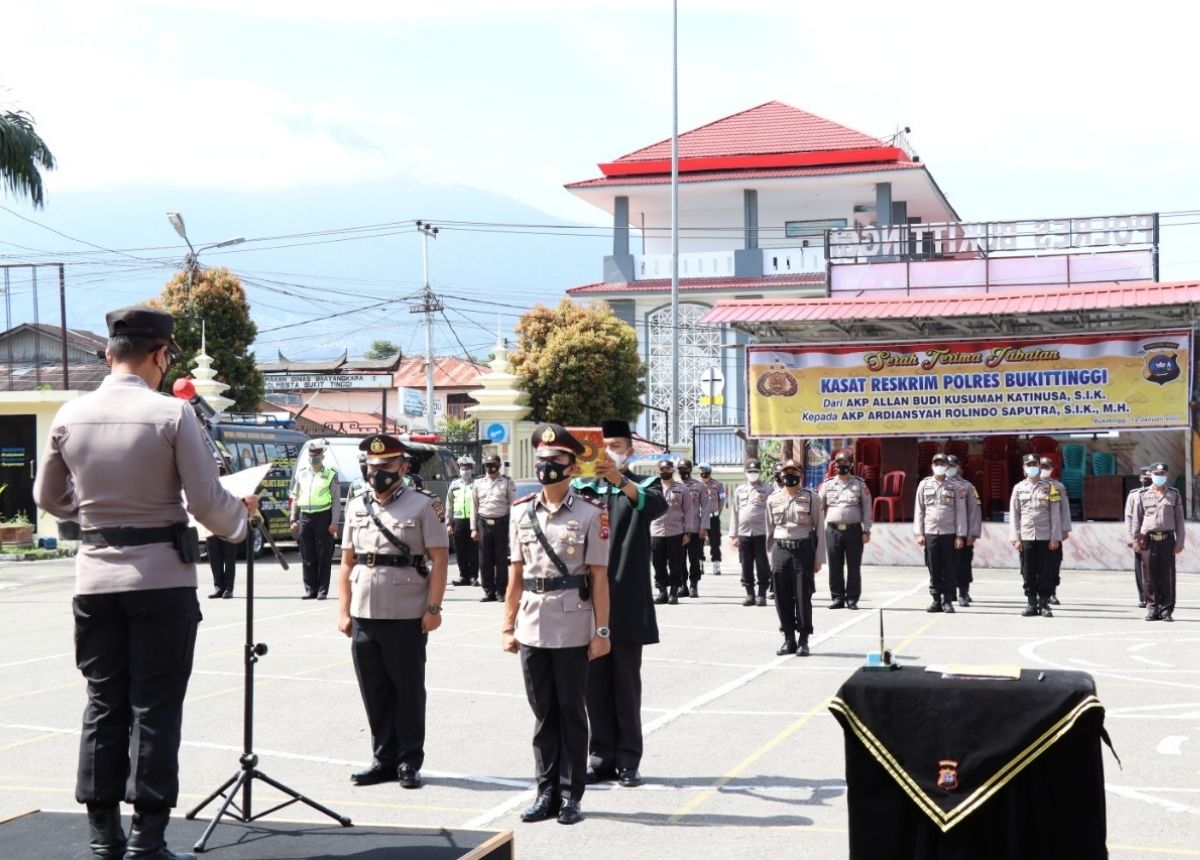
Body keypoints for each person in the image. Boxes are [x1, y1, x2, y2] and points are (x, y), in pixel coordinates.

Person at [34, 305, 256, 860]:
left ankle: (102, 834)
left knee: (103, 701)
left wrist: (90, 513)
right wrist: (240, 518)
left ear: (109, 354)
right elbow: (207, 504)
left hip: (94, 579)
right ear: (161, 355)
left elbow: (45, 497)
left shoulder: (70, 413)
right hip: (160, 579)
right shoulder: (173, 416)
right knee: (154, 707)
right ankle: (147, 839)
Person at [502, 423, 610, 825]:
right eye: (543, 459)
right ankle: (545, 791)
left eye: (556, 459)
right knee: (543, 712)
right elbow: (515, 575)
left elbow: (598, 578)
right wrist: (507, 625)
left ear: (572, 465)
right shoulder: (520, 512)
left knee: (570, 710)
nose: (547, 465)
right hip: (531, 623)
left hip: (572, 624)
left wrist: (602, 631)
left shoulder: (590, 513)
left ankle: (570, 795)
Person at [337, 434, 449, 790]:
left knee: (408, 689)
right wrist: (343, 610)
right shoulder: (356, 505)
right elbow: (346, 562)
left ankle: (409, 761)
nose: (378, 472)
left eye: (386, 466)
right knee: (374, 689)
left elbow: (440, 559)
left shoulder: (422, 505)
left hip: (407, 612)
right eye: (372, 467)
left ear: (403, 466)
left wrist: (433, 608)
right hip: (364, 610)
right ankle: (383, 758)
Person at [574, 418, 667, 790]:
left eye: (618, 444)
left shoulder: (643, 483)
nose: (612, 449)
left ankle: (628, 758)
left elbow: (654, 507)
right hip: (587, 599)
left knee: (626, 684)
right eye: (606, 443)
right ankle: (601, 757)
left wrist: (619, 479)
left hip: (627, 597)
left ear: (630, 449)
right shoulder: (582, 487)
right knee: (594, 685)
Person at [767, 459, 825, 656]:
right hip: (780, 551)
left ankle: (803, 640)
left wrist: (818, 558)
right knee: (781, 597)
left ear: (801, 476)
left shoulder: (812, 498)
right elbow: (769, 530)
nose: (789, 475)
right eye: (786, 472)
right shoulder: (773, 499)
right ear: (781, 476)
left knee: (802, 596)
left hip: (802, 551)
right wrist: (770, 559)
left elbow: (820, 530)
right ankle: (789, 639)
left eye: (794, 472)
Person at [1010, 453, 1063, 617]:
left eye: (1035, 464)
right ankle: (1031, 603)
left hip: (1045, 536)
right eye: (1029, 464)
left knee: (1046, 571)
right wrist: (1015, 537)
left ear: (1039, 467)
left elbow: (1055, 514)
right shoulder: (1018, 488)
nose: (1033, 467)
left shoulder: (1049, 487)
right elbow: (1014, 514)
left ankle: (1045, 603)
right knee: (1028, 571)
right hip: (1026, 536)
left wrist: (1055, 537)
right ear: (1024, 468)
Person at [913, 452, 967, 613]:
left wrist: (960, 535)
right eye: (936, 463)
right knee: (933, 567)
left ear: (947, 466)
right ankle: (936, 599)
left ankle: (948, 600)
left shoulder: (956, 486)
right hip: (930, 533)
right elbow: (919, 510)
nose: (939, 466)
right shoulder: (924, 485)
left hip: (949, 533)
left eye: (942, 463)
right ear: (931, 466)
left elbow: (960, 512)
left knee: (949, 567)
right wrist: (919, 533)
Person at [818, 450, 871, 610]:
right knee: (835, 566)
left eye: (845, 463)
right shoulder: (827, 485)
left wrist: (866, 530)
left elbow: (867, 508)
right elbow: (819, 507)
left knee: (854, 567)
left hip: (853, 531)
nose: (841, 466)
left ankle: (852, 599)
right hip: (833, 531)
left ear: (851, 465)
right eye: (838, 464)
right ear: (834, 465)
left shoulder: (860, 484)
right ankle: (837, 598)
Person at [289, 439, 341, 600]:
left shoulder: (331, 474)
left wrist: (334, 522)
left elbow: (336, 500)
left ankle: (322, 590)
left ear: (322, 457)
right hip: (305, 516)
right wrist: (293, 518)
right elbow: (295, 498)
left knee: (323, 555)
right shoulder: (302, 473)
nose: (313, 459)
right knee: (307, 554)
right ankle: (310, 589)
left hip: (323, 517)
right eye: (311, 456)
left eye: (316, 456)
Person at [1133, 462, 1184, 622]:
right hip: (1148, 540)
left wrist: (1179, 543)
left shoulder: (1174, 494)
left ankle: (1166, 610)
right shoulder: (1141, 495)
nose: (1159, 477)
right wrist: (1136, 540)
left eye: (1162, 475)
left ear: (1166, 476)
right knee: (1148, 576)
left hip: (1168, 540)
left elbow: (1179, 521)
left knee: (1167, 576)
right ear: (1151, 475)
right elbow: (1137, 519)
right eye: (1157, 475)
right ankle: (1152, 609)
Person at [473, 453, 516, 602]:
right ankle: (488, 591)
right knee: (485, 560)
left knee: (501, 560)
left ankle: (501, 591)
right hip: (484, 524)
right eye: (488, 465)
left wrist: (513, 528)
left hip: (502, 524)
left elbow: (513, 505)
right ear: (484, 466)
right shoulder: (478, 483)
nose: (491, 467)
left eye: (493, 464)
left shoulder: (507, 482)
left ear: (499, 465)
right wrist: (473, 528)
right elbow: (474, 506)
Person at [732, 459, 773, 607]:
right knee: (746, 564)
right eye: (750, 472)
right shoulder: (739, 490)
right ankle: (750, 594)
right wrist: (733, 535)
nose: (753, 474)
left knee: (763, 564)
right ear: (746, 473)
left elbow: (772, 511)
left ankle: (761, 594)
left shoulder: (768, 489)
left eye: (755, 471)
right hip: (744, 534)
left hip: (762, 533)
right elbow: (735, 513)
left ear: (760, 472)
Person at [650, 458, 690, 605]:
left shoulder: (682, 488)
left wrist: (687, 532)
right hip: (656, 531)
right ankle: (662, 591)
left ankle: (674, 591)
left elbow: (688, 511)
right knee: (658, 563)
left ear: (672, 471)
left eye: (668, 469)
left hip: (676, 531)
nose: (665, 472)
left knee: (676, 563)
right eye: (662, 469)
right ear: (658, 471)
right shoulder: (652, 488)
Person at [946, 454, 982, 606]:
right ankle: (949, 592)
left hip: (964, 531)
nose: (949, 469)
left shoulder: (968, 487)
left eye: (952, 466)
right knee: (946, 564)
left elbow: (974, 512)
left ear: (959, 468)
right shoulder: (936, 485)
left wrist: (972, 533)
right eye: (947, 466)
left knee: (962, 564)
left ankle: (963, 592)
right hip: (945, 532)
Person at [1037, 456, 1072, 606]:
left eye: (1047, 467)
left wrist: (1064, 529)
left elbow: (1064, 510)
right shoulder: (1028, 486)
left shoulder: (1058, 487)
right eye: (1042, 467)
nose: (1044, 469)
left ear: (1052, 469)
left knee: (1053, 564)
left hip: (1054, 532)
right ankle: (1038, 594)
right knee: (1036, 566)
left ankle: (1052, 593)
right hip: (1037, 533)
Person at [204, 452, 239, 599]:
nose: (219, 468)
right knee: (215, 557)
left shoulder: (235, 481)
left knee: (229, 558)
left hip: (227, 524)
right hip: (212, 524)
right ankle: (218, 586)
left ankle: (228, 589)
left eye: (222, 464)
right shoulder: (208, 481)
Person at [676, 458, 709, 598]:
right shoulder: (674, 486)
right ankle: (683, 585)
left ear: (690, 469)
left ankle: (694, 585)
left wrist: (704, 527)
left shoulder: (699, 486)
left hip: (695, 528)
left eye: (685, 468)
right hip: (677, 529)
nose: (683, 471)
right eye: (680, 469)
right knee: (680, 559)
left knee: (694, 558)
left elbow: (706, 508)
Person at [446, 455, 478, 586]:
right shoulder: (454, 485)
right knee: (460, 551)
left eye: (467, 468)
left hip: (473, 521)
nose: (465, 471)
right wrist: (448, 523)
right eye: (462, 468)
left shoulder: (477, 484)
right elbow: (449, 504)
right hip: (458, 521)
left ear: (472, 469)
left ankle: (473, 576)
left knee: (473, 550)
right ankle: (463, 576)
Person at [1124, 466, 1152, 608]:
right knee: (1140, 567)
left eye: (1148, 478)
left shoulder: (1158, 493)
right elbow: (1128, 517)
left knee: (1156, 567)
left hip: (1154, 535)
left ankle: (1155, 596)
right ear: (1140, 479)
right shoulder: (1133, 495)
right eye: (1143, 478)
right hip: (1139, 536)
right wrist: (1129, 537)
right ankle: (1143, 597)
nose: (1145, 480)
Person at [698, 463, 726, 575]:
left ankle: (716, 563)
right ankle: (699, 564)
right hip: (699, 518)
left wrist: (717, 513)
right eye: (702, 472)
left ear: (709, 472)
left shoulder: (718, 485)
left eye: (706, 472)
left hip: (713, 517)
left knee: (715, 542)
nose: (704, 474)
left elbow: (722, 500)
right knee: (699, 542)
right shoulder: (695, 485)